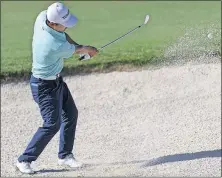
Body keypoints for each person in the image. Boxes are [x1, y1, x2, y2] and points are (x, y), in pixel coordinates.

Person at [16, 2, 98, 174]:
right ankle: (24, 159)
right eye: (64, 24)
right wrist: (88, 49)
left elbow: (66, 38)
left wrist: (82, 48)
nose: (66, 27)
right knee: (52, 124)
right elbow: (71, 48)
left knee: (71, 114)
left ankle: (65, 155)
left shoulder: (42, 17)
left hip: (56, 81)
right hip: (43, 86)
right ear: (53, 23)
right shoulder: (53, 44)